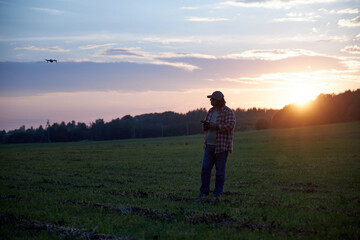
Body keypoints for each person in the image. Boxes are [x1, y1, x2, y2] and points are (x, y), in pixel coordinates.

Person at [199, 91, 236, 198]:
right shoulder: (210, 111)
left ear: (219, 100)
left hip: (221, 147)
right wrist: (206, 126)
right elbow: (207, 127)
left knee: (220, 172)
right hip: (208, 145)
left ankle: (217, 193)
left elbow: (230, 125)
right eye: (211, 99)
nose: (211, 101)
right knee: (205, 169)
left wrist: (215, 126)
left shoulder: (228, 112)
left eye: (213, 99)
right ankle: (204, 191)